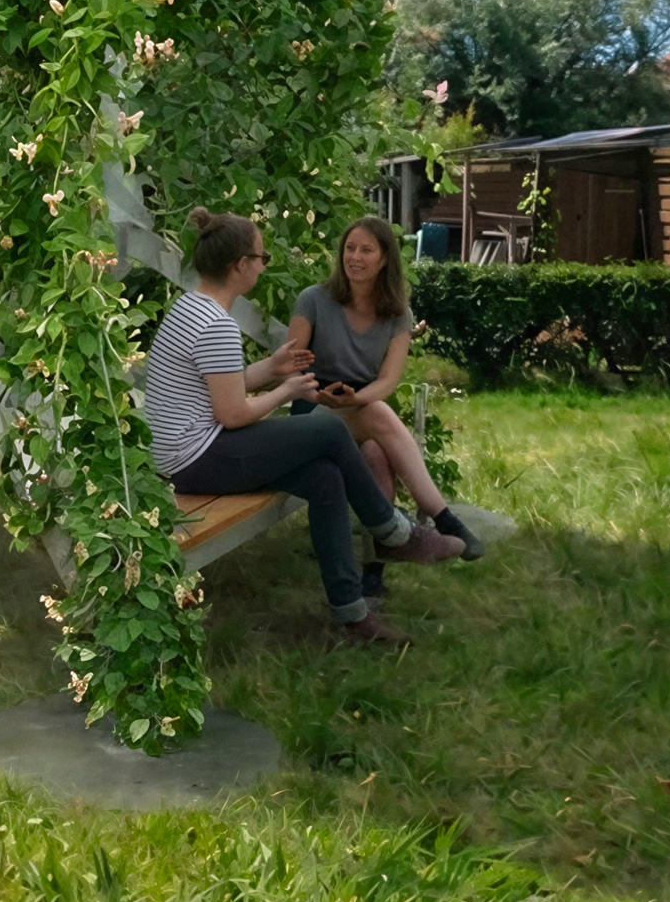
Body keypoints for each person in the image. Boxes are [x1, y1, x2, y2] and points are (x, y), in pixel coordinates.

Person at [143, 208, 462, 647]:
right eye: (261, 256)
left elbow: (222, 385)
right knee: (329, 430)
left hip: (192, 450)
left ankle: (352, 616)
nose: (262, 264)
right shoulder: (215, 325)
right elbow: (232, 414)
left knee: (325, 478)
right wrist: (285, 389)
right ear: (241, 265)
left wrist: (270, 368)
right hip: (198, 458)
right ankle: (392, 532)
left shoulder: (192, 308)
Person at [287, 215, 485, 561]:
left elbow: (388, 381)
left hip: (363, 405)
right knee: (377, 414)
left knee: (377, 453)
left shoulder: (398, 315)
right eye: (350, 248)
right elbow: (290, 368)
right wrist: (319, 395)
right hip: (312, 405)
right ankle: (445, 520)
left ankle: (378, 563)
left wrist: (356, 399)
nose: (355, 257)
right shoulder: (313, 299)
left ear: (384, 260)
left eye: (366, 250)